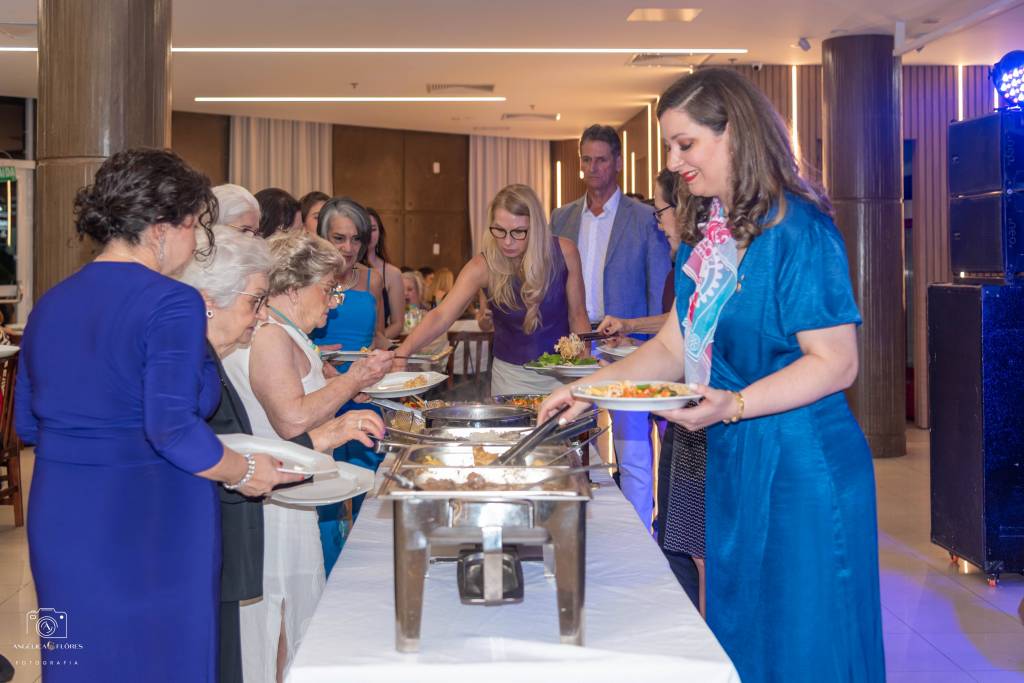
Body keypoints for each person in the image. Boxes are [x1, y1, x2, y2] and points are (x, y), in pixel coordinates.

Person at [539, 68, 885, 682]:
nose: (673, 162)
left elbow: (837, 362)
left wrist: (736, 404)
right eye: (670, 147)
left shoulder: (799, 230)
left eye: (685, 144)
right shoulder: (705, 235)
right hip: (734, 452)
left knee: (803, 642)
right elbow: (673, 346)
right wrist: (585, 391)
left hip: (801, 463)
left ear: (735, 135)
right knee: (742, 627)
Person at [14, 149, 298, 682]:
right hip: (152, 517)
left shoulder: (51, 302)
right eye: (195, 228)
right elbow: (170, 428)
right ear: (164, 227)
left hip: (63, 514)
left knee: (81, 664)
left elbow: (28, 424)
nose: (195, 244)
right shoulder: (172, 301)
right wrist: (245, 472)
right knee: (165, 662)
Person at [181, 226, 380, 683]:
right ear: (293, 289)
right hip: (269, 497)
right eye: (327, 289)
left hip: (278, 485)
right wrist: (349, 391)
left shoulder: (277, 331)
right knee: (273, 618)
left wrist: (337, 403)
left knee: (285, 617)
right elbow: (289, 421)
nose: (332, 302)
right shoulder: (269, 334)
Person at [551, 124, 673, 529]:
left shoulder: (644, 217)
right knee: (574, 441)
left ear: (618, 162)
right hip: (575, 344)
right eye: (586, 160)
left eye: (601, 160)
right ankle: (579, 527)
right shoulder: (562, 217)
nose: (593, 168)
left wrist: (653, 344)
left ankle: (639, 533)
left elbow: (657, 285)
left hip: (628, 343)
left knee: (632, 447)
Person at [396, 184, 590, 395]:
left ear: (536, 228)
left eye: (518, 232)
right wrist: (403, 352)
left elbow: (578, 315)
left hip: (563, 375)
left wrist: (582, 368)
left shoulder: (565, 252)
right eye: (499, 230)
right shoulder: (482, 266)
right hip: (510, 378)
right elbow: (441, 315)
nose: (507, 241)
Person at [311, 197, 389, 351]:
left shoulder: (373, 280)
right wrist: (317, 353)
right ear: (323, 237)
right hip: (315, 365)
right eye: (339, 238)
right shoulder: (307, 279)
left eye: (356, 239)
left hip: (366, 365)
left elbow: (378, 336)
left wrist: (401, 353)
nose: (348, 248)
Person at [365, 207, 406, 338]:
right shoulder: (344, 270)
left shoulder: (393, 273)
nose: (369, 234)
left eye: (373, 229)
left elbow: (398, 324)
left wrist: (373, 342)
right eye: (364, 229)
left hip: (377, 344)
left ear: (380, 233)